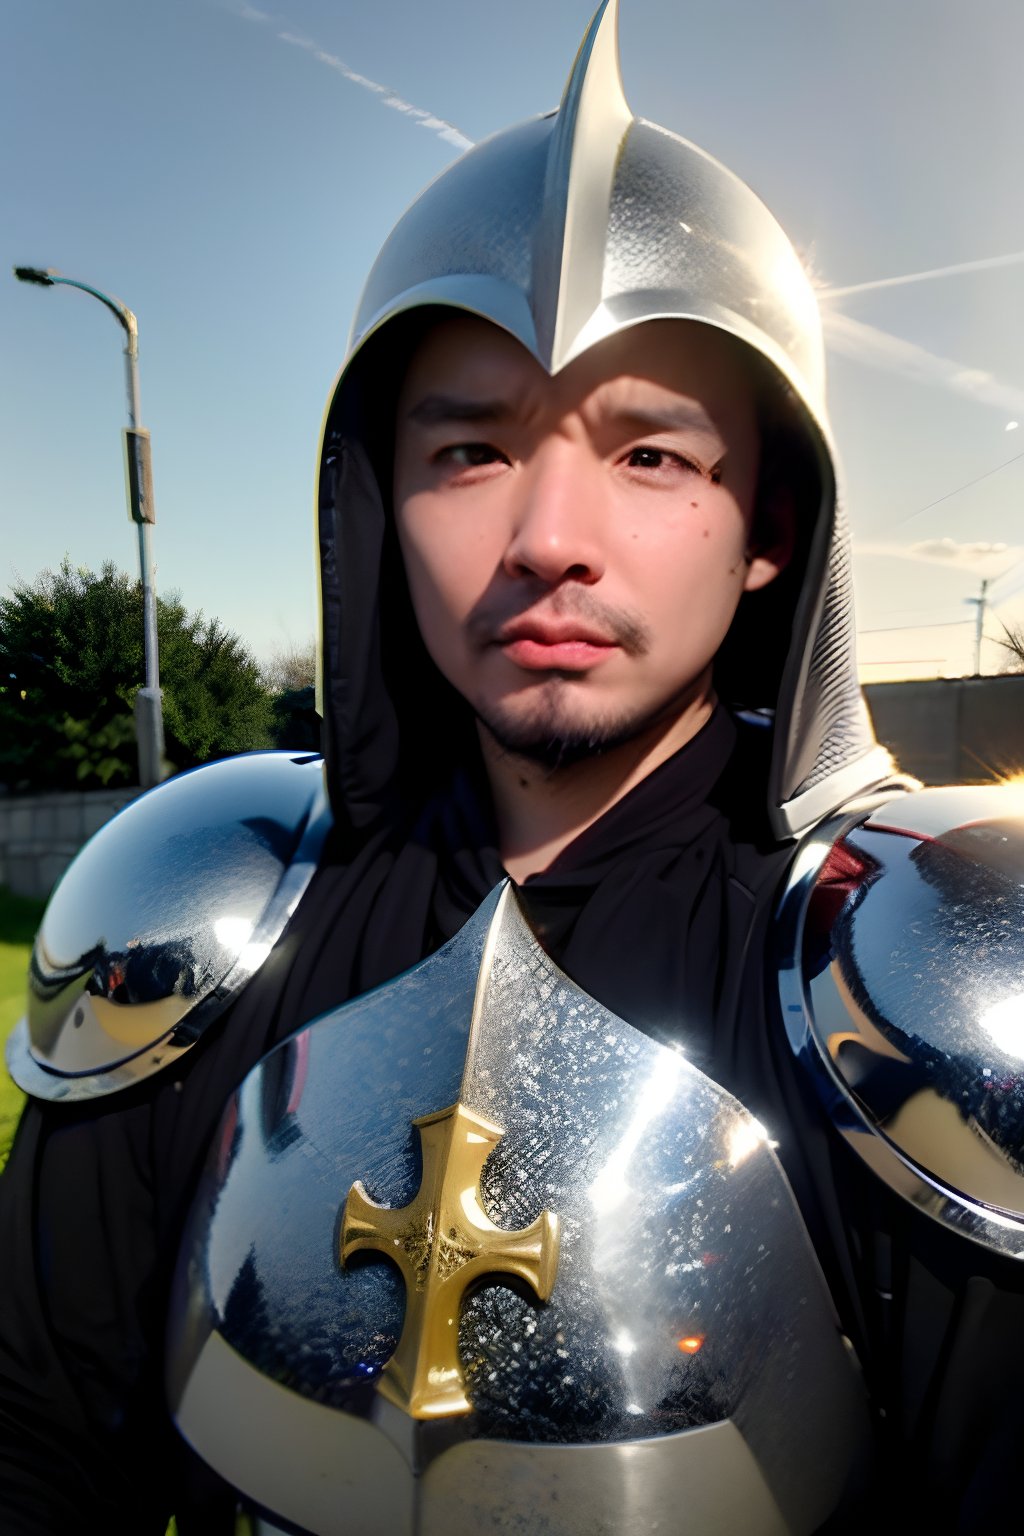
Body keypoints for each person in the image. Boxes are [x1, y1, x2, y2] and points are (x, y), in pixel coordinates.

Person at [4, 2, 1024, 1532]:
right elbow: (32, 1445)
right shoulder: (202, 909)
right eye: (469, 449)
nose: (549, 537)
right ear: (376, 499)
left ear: (772, 531)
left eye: (651, 454)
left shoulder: (927, 970)